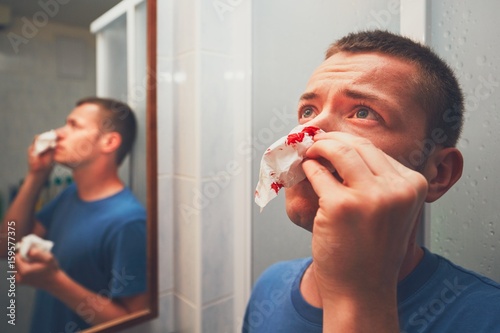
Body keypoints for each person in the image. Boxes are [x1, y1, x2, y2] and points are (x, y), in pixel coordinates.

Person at [243, 30, 500, 332]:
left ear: (439, 173)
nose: (306, 136)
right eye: (308, 111)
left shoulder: (487, 317)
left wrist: (358, 297)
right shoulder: (269, 285)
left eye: (363, 112)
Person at [0, 97, 147, 332]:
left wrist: (54, 282)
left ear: (109, 141)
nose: (58, 133)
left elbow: (135, 321)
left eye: (74, 125)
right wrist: (36, 175)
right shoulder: (70, 196)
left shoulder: (128, 221)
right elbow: (6, 246)